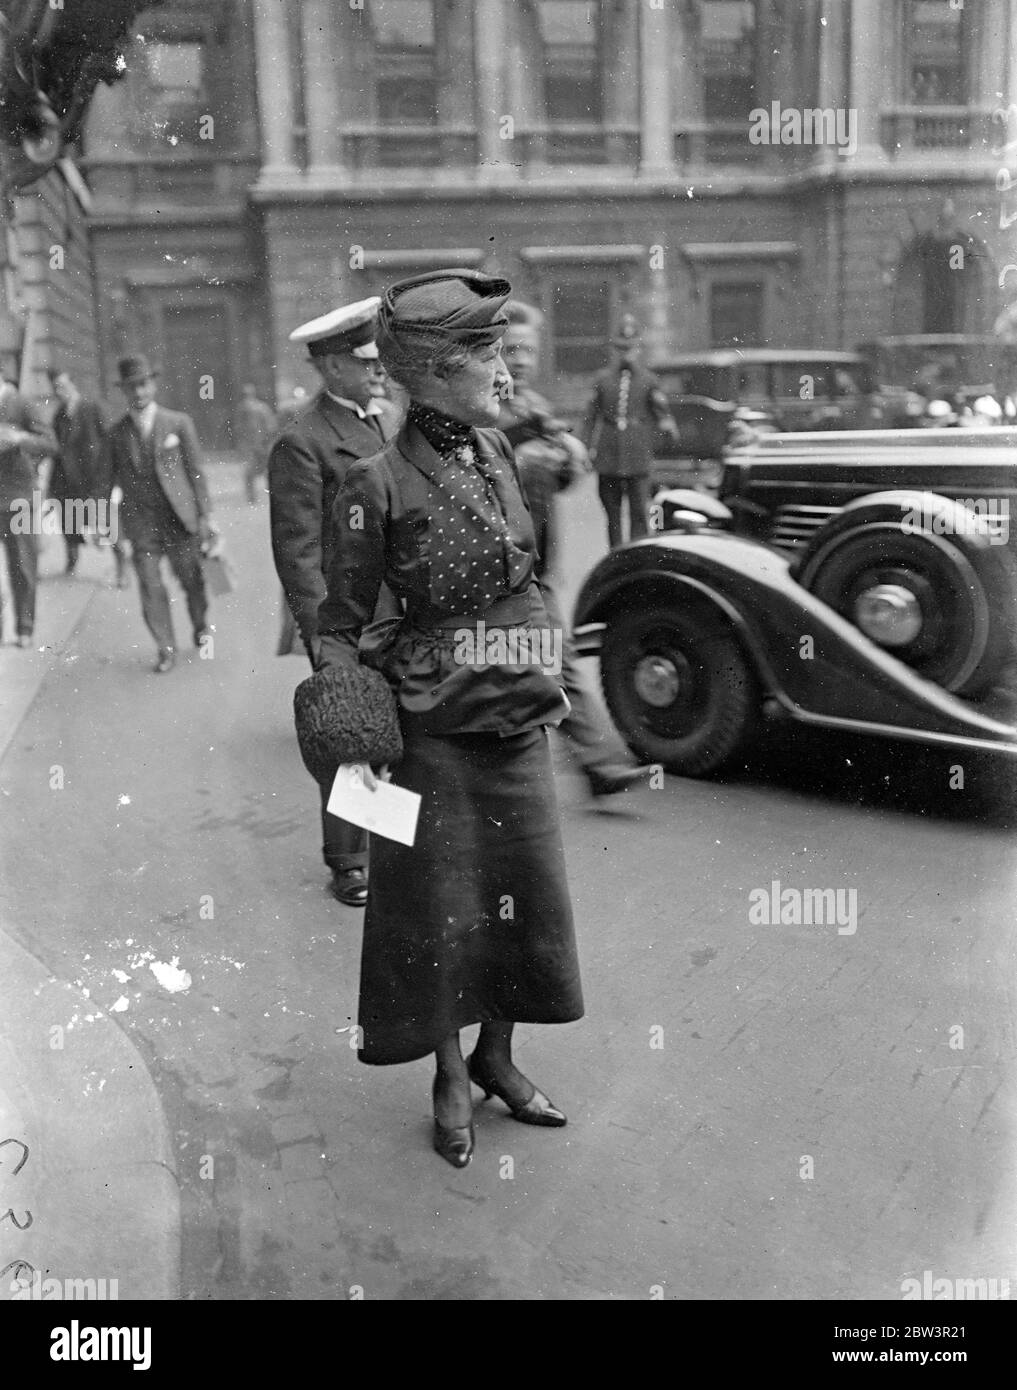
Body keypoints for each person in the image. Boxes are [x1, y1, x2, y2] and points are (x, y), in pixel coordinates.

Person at [312, 269, 584, 1169]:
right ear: (430, 374)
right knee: (435, 913)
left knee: (525, 900)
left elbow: (525, 579)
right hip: (428, 739)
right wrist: (356, 763)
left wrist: (550, 662)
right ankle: (443, 1074)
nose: (505, 371)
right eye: (487, 352)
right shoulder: (370, 485)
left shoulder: (496, 455)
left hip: (514, 718)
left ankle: (496, 1056)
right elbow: (340, 630)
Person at [268, 298, 400, 908]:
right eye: (364, 361)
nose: (379, 371)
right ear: (330, 367)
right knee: (348, 734)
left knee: (394, 730)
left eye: (378, 361)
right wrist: (323, 640)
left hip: (396, 611)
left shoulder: (387, 420)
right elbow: (297, 554)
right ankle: (349, 862)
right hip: (344, 620)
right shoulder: (302, 441)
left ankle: (391, 845)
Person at [499, 300, 651, 798]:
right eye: (512, 348)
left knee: (555, 659)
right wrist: (533, 439)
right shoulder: (481, 408)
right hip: (490, 567)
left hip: (535, 565)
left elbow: (555, 482)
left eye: (529, 350)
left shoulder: (537, 405)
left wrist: (566, 458)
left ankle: (597, 765)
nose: (521, 359)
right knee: (523, 663)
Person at [104, 354, 215, 674]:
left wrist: (206, 515)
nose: (138, 392)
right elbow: (105, 482)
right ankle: (166, 648)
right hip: (140, 525)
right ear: (123, 392)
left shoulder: (178, 423)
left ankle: (200, 624)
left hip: (180, 520)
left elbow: (196, 472)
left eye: (143, 384)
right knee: (151, 586)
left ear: (153, 384)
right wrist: (106, 526)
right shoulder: (115, 433)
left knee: (192, 581)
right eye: (131, 388)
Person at [581, 314, 678, 547]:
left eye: (631, 348)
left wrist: (667, 428)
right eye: (622, 349)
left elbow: (661, 414)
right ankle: (616, 556)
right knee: (612, 514)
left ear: (638, 349)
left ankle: (637, 556)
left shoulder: (649, 380)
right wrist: (585, 449)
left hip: (637, 455)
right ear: (615, 350)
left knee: (639, 512)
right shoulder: (602, 380)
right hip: (608, 456)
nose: (627, 353)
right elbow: (590, 418)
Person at [50, 369, 127, 586]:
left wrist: (114, 475)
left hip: (95, 477)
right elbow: (58, 449)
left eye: (62, 385)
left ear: (73, 384)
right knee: (68, 521)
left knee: (108, 523)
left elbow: (110, 440)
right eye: (55, 387)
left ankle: (122, 568)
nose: (59, 391)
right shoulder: (59, 415)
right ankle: (71, 561)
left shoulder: (92, 408)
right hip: (69, 479)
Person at [0, 376, 57, 647]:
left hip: (18, 497)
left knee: (22, 565)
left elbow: (50, 444)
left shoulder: (21, 403)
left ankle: (25, 628)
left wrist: (19, 438)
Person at [232, 382, 277, 505]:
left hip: (261, 446)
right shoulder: (244, 409)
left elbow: (270, 427)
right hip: (254, 447)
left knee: (265, 472)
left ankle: (271, 496)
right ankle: (252, 497)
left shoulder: (259, 408)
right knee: (251, 473)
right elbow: (239, 428)